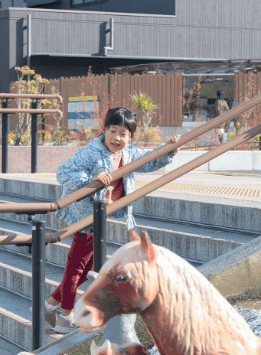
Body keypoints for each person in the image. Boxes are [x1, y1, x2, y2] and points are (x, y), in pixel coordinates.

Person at [45, 107, 180, 334]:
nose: (117, 138)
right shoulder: (92, 152)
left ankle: (50, 304)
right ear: (104, 130)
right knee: (76, 269)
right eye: (113, 131)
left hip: (103, 217)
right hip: (85, 217)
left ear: (131, 137)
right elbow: (63, 172)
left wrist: (169, 149)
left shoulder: (127, 154)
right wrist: (90, 179)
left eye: (123, 134)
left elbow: (149, 161)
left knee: (90, 267)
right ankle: (64, 317)